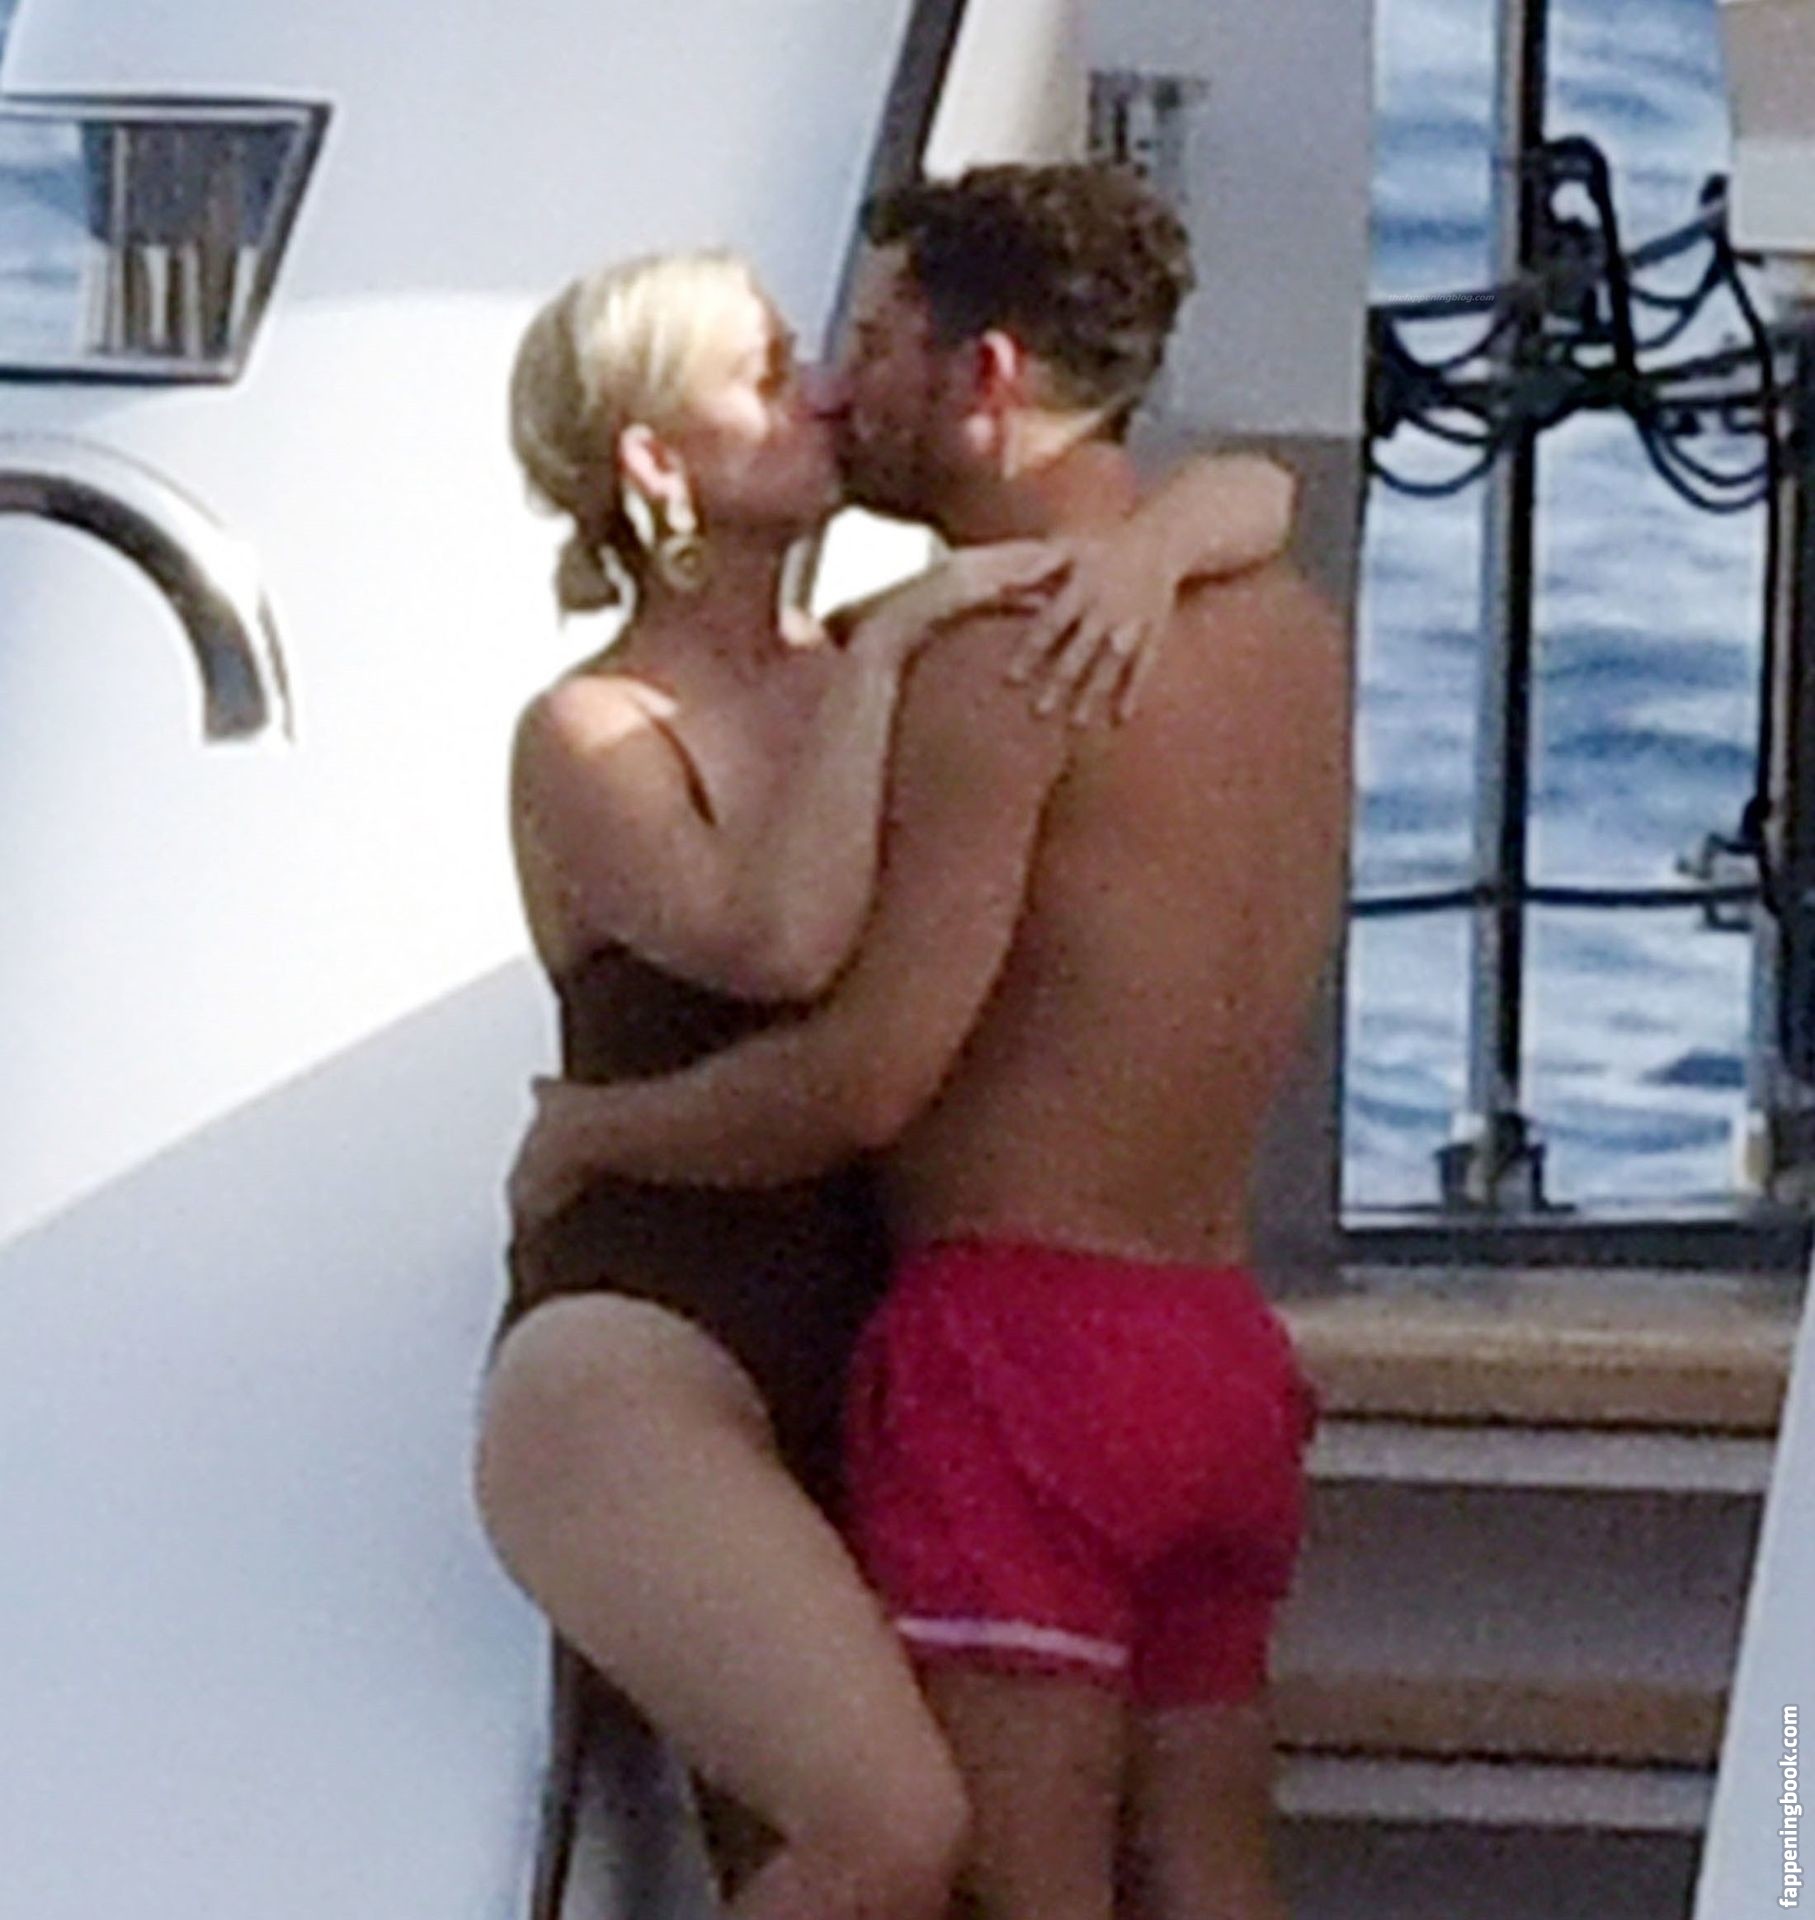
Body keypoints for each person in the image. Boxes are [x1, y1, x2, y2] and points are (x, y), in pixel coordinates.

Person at [509, 162, 1352, 1920]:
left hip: (1025, 1353)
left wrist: (591, 1130)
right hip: (1211, 1338)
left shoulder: (984, 664)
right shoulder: (1280, 631)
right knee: (1199, 1870)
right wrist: (1151, 543)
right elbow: (1251, 500)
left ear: (985, 377)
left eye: (870, 342)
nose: (836, 384)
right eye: (784, 369)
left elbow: (865, 1072)